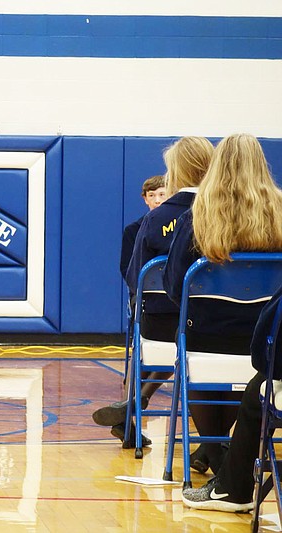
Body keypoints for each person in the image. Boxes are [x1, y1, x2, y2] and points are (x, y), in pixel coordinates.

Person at [164, 133, 282, 491]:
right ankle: (221, 458)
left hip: (207, 338)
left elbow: (174, 287)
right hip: (266, 342)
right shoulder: (279, 211)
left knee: (194, 348)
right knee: (238, 351)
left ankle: (217, 455)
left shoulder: (197, 215)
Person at [93, 137, 213, 450]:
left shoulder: (154, 221)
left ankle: (133, 404)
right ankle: (213, 448)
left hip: (162, 322)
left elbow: (136, 276)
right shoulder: (230, 215)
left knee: (166, 343)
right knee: (188, 346)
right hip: (217, 328)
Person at [180, 285, 282, 513]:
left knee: (260, 388)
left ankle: (226, 476)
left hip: (205, 336)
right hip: (243, 336)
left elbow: (176, 286)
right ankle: (216, 456)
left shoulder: (194, 250)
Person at [119, 175, 167, 281]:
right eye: (151, 195)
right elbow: (126, 268)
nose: (157, 201)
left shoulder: (178, 225)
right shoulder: (132, 230)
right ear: (145, 199)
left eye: (162, 194)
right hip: (143, 289)